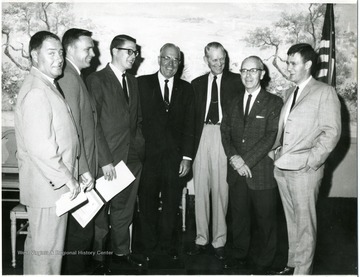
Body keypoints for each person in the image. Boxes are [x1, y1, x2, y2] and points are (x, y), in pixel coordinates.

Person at [269, 43, 341, 275]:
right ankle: (293, 264)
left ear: (308, 65)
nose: (288, 68)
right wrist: (275, 149)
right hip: (283, 168)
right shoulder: (290, 93)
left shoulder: (324, 92)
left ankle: (303, 272)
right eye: (287, 63)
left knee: (305, 226)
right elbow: (286, 128)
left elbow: (332, 132)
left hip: (305, 170)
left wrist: (312, 161)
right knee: (292, 222)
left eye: (293, 63)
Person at [14, 30, 81, 275]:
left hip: (49, 189)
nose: (59, 58)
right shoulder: (37, 91)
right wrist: (67, 178)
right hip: (48, 189)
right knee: (46, 257)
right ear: (34, 55)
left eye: (61, 52)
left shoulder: (45, 85)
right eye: (51, 53)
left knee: (42, 254)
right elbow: (42, 148)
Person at [86, 34, 145, 270]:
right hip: (107, 160)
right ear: (114, 51)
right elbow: (94, 123)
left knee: (125, 207)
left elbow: (137, 120)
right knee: (100, 209)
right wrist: (105, 160)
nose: (133, 56)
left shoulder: (133, 81)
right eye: (128, 51)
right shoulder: (96, 79)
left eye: (135, 52)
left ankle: (122, 251)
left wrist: (139, 150)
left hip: (131, 158)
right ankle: (99, 257)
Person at [221, 56, 283, 274]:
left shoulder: (274, 103)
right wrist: (234, 158)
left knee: (266, 220)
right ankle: (239, 255)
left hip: (262, 173)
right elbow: (225, 133)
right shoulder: (232, 101)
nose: (248, 75)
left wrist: (245, 160)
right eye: (244, 71)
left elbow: (271, 136)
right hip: (237, 171)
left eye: (253, 70)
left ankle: (265, 262)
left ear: (262, 74)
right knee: (238, 218)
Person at [137, 43, 195, 261]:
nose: (171, 64)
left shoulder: (186, 89)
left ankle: (166, 247)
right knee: (148, 204)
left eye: (176, 60)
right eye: (167, 58)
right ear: (159, 59)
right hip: (148, 159)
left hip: (175, 160)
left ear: (180, 63)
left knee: (171, 205)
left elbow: (191, 126)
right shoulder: (142, 84)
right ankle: (150, 247)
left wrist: (187, 158)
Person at [187, 42, 244, 260]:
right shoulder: (197, 84)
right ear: (206, 60)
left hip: (224, 136)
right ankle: (201, 239)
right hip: (202, 135)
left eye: (222, 59)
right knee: (200, 190)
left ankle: (219, 240)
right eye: (214, 60)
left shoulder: (237, 82)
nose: (219, 63)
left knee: (222, 190)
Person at [57, 28, 98, 275]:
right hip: (79, 170)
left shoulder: (76, 75)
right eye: (88, 48)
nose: (93, 53)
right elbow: (72, 131)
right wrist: (83, 170)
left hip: (83, 167)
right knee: (80, 235)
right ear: (70, 49)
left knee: (82, 233)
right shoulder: (70, 78)